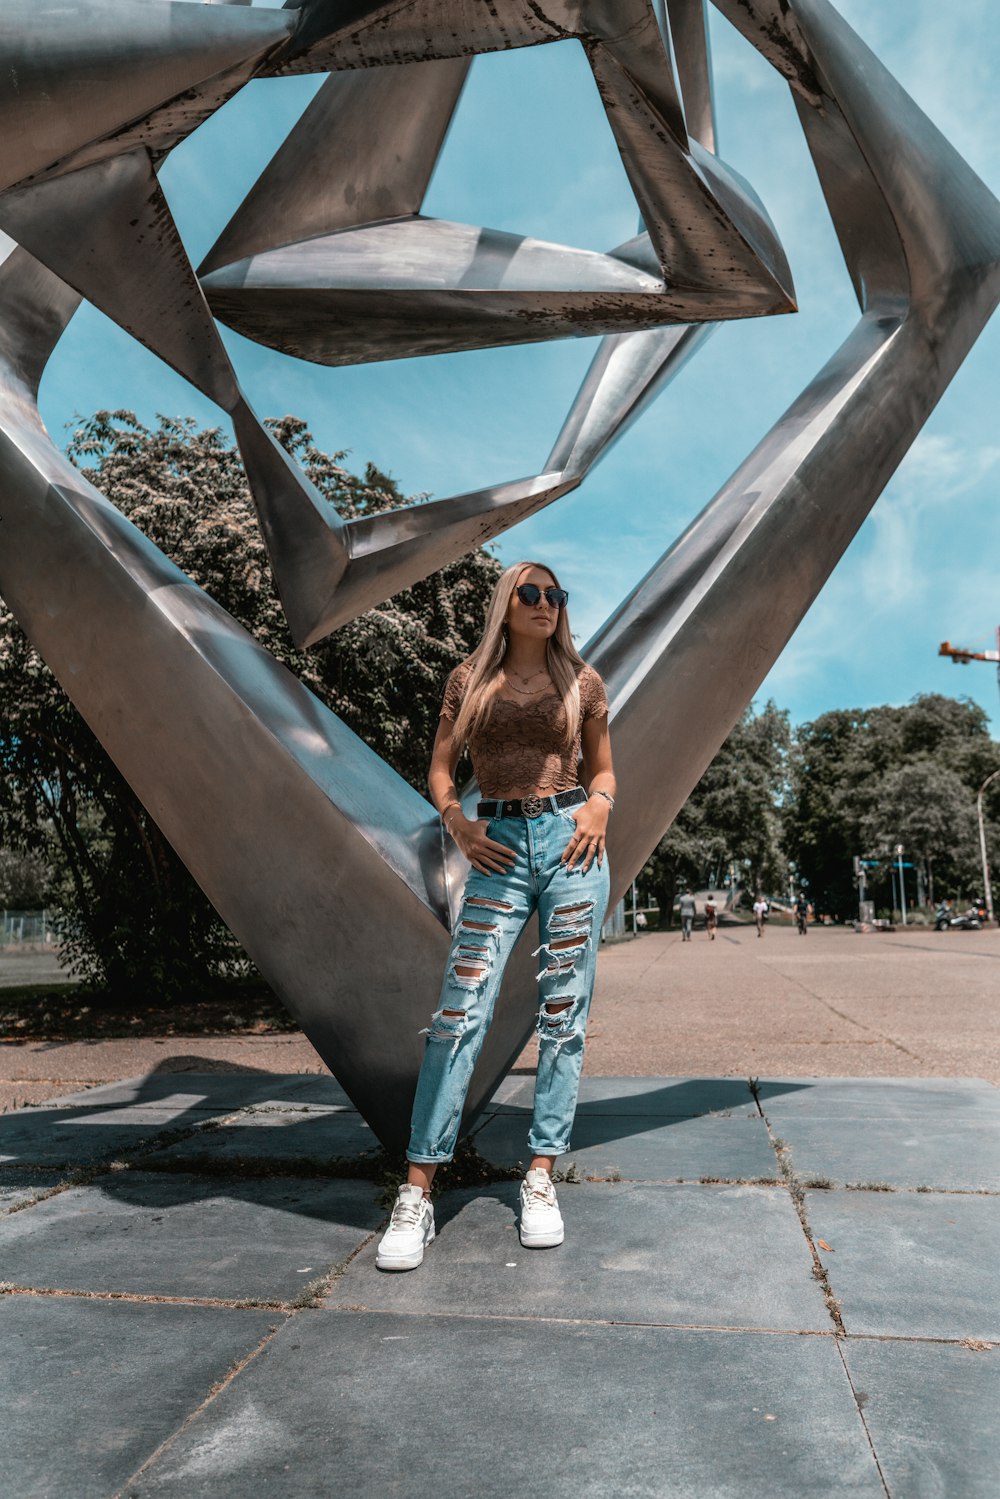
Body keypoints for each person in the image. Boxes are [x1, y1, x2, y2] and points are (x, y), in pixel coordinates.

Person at [376, 561, 614, 1271]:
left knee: (564, 1013)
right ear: (505, 606)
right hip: (497, 849)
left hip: (572, 844)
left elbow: (602, 770)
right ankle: (417, 1190)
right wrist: (455, 819)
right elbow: (442, 767)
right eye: (531, 594)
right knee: (460, 1009)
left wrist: (601, 804)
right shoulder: (468, 680)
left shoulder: (585, 683)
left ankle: (539, 1176)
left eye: (556, 596)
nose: (546, 605)